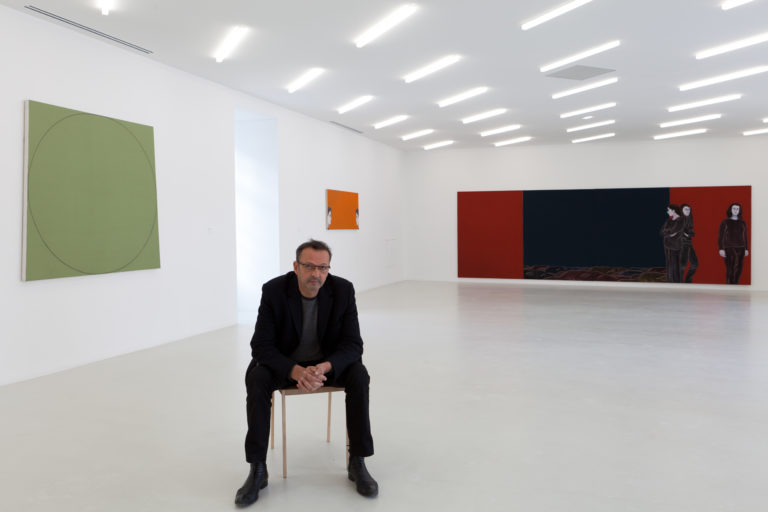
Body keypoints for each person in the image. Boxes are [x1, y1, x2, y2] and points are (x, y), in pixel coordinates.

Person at [235, 239, 377, 507]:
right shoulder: (274, 290)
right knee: (257, 379)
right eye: (309, 266)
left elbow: (353, 344)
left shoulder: (343, 290)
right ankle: (258, 469)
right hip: (286, 364)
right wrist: (295, 370)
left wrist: (324, 367)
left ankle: (357, 461)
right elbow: (261, 346)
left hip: (324, 366)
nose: (316, 274)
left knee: (359, 375)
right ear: (296, 266)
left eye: (323, 268)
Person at [718, 203, 749, 284]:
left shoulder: (742, 223)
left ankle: (735, 284)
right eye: (734, 208)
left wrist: (746, 249)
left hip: (741, 247)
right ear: (730, 210)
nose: (735, 210)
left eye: (737, 209)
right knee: (731, 268)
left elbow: (745, 236)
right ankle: (729, 285)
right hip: (729, 247)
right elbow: (721, 236)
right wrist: (721, 249)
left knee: (739, 268)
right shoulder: (725, 222)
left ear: (739, 211)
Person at [660, 204, 684, 283]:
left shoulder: (680, 220)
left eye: (668, 210)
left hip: (675, 247)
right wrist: (669, 233)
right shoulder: (668, 221)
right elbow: (661, 232)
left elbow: (673, 231)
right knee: (669, 265)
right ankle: (670, 282)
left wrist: (667, 232)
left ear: (673, 211)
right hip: (667, 246)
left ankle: (676, 283)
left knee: (675, 266)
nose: (667, 212)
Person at [679, 203, 698, 283]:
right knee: (682, 265)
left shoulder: (690, 219)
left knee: (695, 263)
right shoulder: (679, 220)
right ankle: (679, 282)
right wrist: (686, 234)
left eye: (689, 209)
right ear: (681, 210)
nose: (688, 211)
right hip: (682, 244)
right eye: (686, 209)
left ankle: (687, 281)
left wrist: (689, 234)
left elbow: (691, 233)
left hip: (689, 243)